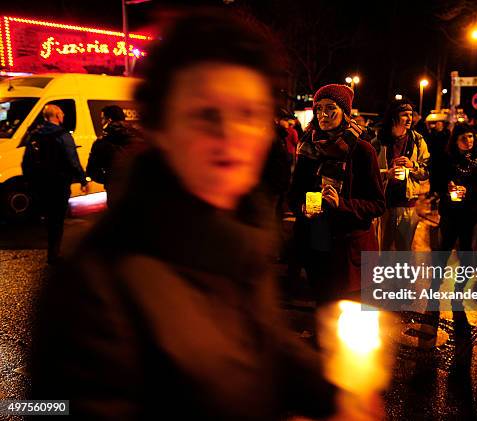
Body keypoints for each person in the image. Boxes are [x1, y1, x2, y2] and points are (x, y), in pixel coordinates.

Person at [31, 9, 340, 420]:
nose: (231, 135)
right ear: (159, 126)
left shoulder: (238, 238)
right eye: (206, 114)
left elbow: (261, 344)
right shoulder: (96, 289)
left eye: (249, 113)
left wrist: (335, 395)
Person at [288, 84, 385, 303]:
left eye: (330, 108)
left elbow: (378, 204)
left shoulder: (362, 150)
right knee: (324, 314)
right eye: (318, 108)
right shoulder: (307, 147)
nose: (323, 114)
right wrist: (305, 208)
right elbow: (295, 194)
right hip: (317, 246)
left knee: (349, 324)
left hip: (350, 253)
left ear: (345, 112)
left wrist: (341, 204)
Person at [20, 104, 88, 263]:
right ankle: (54, 253)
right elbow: (72, 159)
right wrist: (82, 179)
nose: (63, 117)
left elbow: (26, 162)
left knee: (49, 216)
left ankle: (51, 249)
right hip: (59, 183)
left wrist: (30, 181)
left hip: (41, 183)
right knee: (57, 218)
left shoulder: (34, 135)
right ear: (57, 116)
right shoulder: (63, 135)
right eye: (62, 115)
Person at [377, 100, 430, 251]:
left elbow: (425, 171)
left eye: (411, 115)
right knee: (383, 249)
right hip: (384, 203)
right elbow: (369, 171)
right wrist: (387, 174)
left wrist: (412, 166)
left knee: (404, 250)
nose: (409, 119)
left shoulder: (417, 140)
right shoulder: (379, 140)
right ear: (394, 117)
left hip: (407, 203)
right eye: (404, 115)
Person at [435, 125, 477, 251]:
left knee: (467, 252)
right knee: (443, 250)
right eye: (463, 137)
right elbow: (436, 182)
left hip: (471, 213)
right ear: (455, 140)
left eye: (470, 136)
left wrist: (468, 191)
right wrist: (446, 187)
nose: (468, 140)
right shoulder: (446, 159)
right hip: (450, 212)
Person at [86, 105, 144, 206]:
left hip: (115, 193)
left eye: (102, 118)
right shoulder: (140, 137)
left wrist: (110, 180)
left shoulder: (101, 143)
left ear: (109, 120)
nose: (101, 122)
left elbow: (91, 171)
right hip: (139, 192)